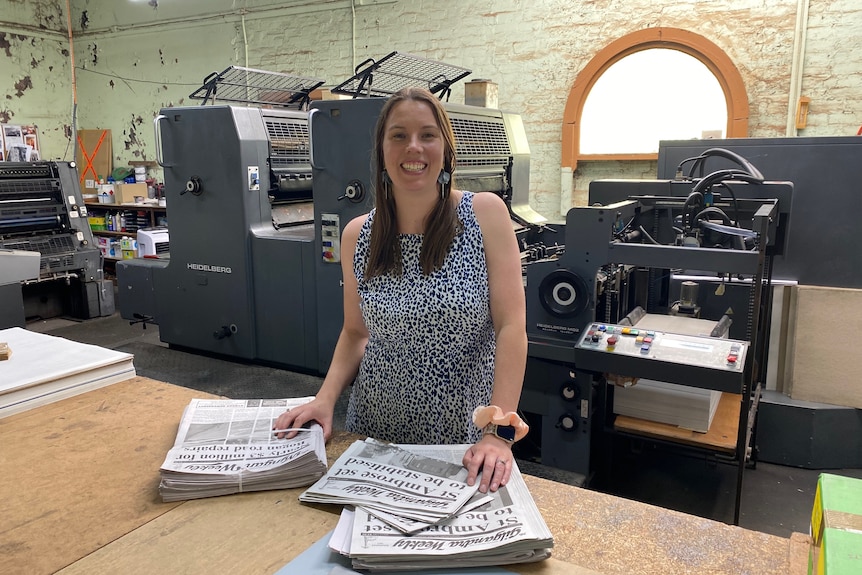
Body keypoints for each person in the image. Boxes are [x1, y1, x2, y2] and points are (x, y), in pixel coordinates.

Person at [273, 87, 527, 493]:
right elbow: (356, 333)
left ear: (445, 148)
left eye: (427, 135)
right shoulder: (358, 235)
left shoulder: (484, 214)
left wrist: (499, 432)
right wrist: (325, 399)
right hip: (374, 428)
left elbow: (511, 327)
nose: (414, 147)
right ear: (382, 151)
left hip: (462, 435)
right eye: (399, 135)